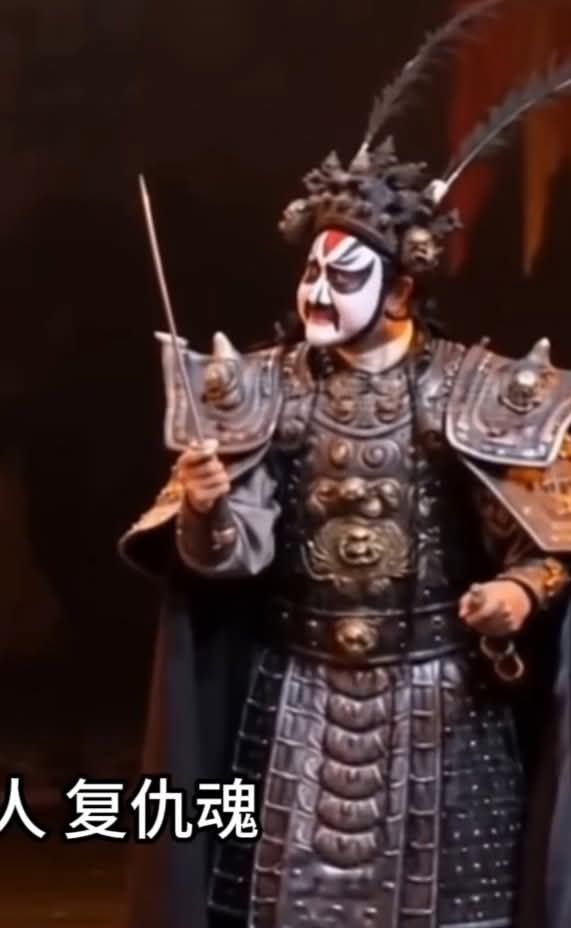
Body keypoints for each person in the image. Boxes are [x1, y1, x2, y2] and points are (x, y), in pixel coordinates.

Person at [117, 10, 571, 928]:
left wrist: (518, 595)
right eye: (310, 275)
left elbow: (552, 545)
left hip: (445, 710)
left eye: (344, 277)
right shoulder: (257, 388)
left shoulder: (476, 392)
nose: (316, 294)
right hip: (293, 706)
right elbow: (228, 562)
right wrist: (205, 512)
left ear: (401, 288)